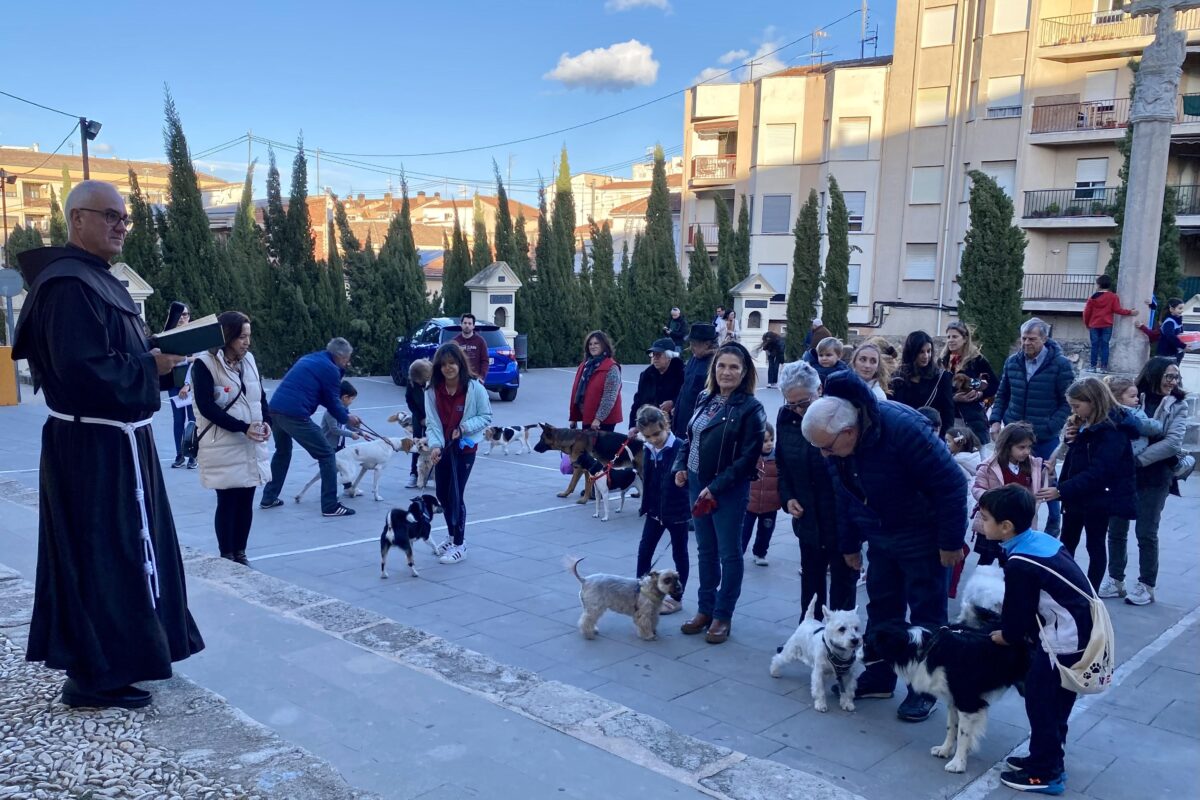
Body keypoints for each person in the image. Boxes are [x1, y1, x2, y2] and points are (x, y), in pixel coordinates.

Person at [11, 179, 204, 709]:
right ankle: (93, 676)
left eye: (125, 218)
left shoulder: (99, 280)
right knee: (100, 555)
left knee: (127, 553)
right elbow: (81, 373)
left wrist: (163, 355)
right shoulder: (67, 286)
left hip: (121, 444)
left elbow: (123, 355)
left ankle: (133, 655)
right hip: (91, 449)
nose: (122, 225)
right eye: (111, 215)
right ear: (77, 220)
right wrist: (151, 366)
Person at [801, 371, 967, 721]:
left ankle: (924, 690)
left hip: (924, 537)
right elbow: (844, 496)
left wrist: (951, 541)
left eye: (827, 447)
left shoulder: (903, 429)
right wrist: (849, 545)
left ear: (848, 431)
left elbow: (951, 484)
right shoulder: (839, 447)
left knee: (926, 618)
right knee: (881, 610)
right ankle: (877, 676)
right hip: (881, 536)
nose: (825, 455)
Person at [979, 485, 1093, 795]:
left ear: (1006, 527)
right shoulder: (1039, 541)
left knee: (1041, 702)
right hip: (1079, 630)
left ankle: (1046, 773)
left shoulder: (1021, 563)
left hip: (1063, 640)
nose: (979, 521)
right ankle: (1047, 755)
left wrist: (1006, 636)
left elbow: (1019, 613)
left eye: (985, 518)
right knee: (1056, 703)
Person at [673, 342, 766, 644]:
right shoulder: (705, 397)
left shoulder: (751, 408)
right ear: (714, 369)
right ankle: (705, 610)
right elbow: (690, 438)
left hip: (726, 489)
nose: (726, 372)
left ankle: (722, 615)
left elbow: (748, 459)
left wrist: (715, 487)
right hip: (698, 483)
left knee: (729, 554)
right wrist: (680, 465)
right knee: (705, 550)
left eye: (734, 367)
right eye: (721, 366)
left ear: (744, 372)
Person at [1102, 358, 1189, 605]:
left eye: (1176, 377)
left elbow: (1172, 442)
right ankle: (1115, 579)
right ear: (1154, 374)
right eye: (1168, 376)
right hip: (1122, 476)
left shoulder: (1178, 404)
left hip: (1155, 476)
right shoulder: (1130, 394)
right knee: (1116, 529)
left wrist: (1138, 461)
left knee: (1146, 532)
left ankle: (1146, 585)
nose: (1173, 382)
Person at [190, 311, 272, 567]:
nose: (246, 342)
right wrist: (241, 427)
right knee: (227, 499)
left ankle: (241, 553)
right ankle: (227, 554)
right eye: (241, 336)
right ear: (227, 336)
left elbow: (259, 396)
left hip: (250, 440)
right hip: (221, 442)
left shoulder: (250, 361)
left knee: (247, 497)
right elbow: (205, 407)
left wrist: (266, 422)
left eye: (249, 336)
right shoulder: (204, 363)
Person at [1040, 377, 1136, 590]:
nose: (1074, 411)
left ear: (1093, 401)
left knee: (1095, 544)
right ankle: (1065, 586)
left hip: (1098, 497)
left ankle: (1091, 594)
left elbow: (1099, 471)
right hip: (1077, 494)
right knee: (1067, 541)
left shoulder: (1113, 430)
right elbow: (1079, 457)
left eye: (1077, 406)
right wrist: (1070, 440)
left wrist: (1061, 490)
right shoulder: (1085, 423)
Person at [775, 361, 854, 619]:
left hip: (839, 516)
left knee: (842, 583)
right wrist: (788, 498)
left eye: (803, 404)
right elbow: (783, 463)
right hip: (807, 514)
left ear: (819, 390)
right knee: (811, 579)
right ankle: (809, 632)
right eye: (791, 404)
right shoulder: (786, 417)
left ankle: (840, 642)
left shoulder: (839, 414)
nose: (797, 410)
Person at [259, 338, 364, 517]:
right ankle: (330, 505)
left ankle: (269, 497)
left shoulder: (309, 359)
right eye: (347, 358)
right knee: (327, 454)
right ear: (339, 356)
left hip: (274, 410)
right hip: (295, 414)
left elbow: (320, 394)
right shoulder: (331, 369)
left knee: (283, 452)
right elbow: (332, 400)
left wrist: (344, 415)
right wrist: (346, 418)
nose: (348, 362)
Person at [989, 318, 1074, 537]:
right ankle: (1014, 521)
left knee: (1046, 476)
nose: (1026, 343)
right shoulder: (1012, 362)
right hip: (1015, 433)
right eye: (1023, 338)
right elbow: (1003, 394)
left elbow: (1068, 401)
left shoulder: (1060, 365)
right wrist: (996, 419)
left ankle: (1054, 519)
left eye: (1032, 339)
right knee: (1012, 478)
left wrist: (1051, 425)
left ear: (1044, 339)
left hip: (1044, 435)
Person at [426, 342, 493, 565]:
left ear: (460, 363)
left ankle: (460, 544)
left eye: (452, 363)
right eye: (444, 365)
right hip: (443, 448)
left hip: (464, 448)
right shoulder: (432, 389)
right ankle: (452, 535)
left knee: (455, 493)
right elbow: (433, 423)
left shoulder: (475, 388)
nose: (448, 368)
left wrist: (464, 428)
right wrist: (435, 446)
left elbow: (486, 416)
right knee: (443, 495)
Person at [634, 405, 690, 615]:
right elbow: (648, 481)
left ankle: (676, 598)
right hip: (654, 512)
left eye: (657, 434)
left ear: (665, 425)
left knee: (680, 554)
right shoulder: (648, 449)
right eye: (648, 436)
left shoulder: (680, 448)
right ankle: (641, 593)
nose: (654, 439)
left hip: (677, 512)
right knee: (644, 550)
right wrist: (646, 505)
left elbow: (688, 481)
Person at [971, 422, 1050, 566]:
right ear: (1007, 446)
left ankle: (1010, 587)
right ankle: (979, 586)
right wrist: (995, 500)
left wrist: (1049, 475)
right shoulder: (989, 467)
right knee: (985, 560)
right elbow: (977, 489)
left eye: (1029, 447)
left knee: (1012, 562)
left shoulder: (1033, 466)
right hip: (994, 523)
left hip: (1017, 527)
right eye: (1021, 447)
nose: (1026, 451)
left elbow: (1039, 488)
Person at [938, 321, 997, 446]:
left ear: (965, 339)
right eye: (948, 337)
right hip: (949, 418)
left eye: (955, 337)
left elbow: (994, 384)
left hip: (972, 418)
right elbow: (938, 390)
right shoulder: (943, 361)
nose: (950, 340)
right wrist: (954, 398)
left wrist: (978, 392)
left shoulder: (976, 360)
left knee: (977, 460)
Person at [890, 330, 956, 435]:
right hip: (903, 435)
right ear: (912, 352)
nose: (926, 356)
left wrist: (943, 442)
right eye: (921, 352)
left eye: (929, 351)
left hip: (930, 437)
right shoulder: (897, 379)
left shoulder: (941, 378)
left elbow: (948, 413)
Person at [162, 301, 197, 469]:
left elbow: (197, 360)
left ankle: (192, 455)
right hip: (173, 384)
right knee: (178, 420)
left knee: (192, 420)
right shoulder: (168, 335)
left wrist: (187, 384)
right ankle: (179, 455)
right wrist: (185, 359)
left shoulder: (194, 334)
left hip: (190, 384)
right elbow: (165, 360)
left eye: (186, 314)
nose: (183, 318)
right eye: (180, 315)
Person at [741, 422, 780, 566]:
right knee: (744, 531)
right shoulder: (749, 457)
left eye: (771, 440)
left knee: (766, 532)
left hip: (770, 505)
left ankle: (760, 552)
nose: (769, 444)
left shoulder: (778, 459)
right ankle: (739, 553)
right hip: (749, 504)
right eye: (764, 441)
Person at [568, 331, 623, 431]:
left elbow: (609, 397)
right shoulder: (585, 366)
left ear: (604, 345)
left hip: (603, 421)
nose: (592, 346)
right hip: (587, 416)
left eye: (596, 343)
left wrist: (598, 419)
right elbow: (577, 393)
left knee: (599, 447)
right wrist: (574, 418)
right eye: (590, 344)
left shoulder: (611, 367)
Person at [672, 323, 718, 438]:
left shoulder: (716, 364)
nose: (691, 347)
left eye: (694, 344)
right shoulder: (694, 358)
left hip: (697, 426)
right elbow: (684, 386)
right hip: (681, 420)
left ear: (707, 344)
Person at [1082, 274, 1135, 373]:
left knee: (1094, 346)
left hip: (1094, 325)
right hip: (1107, 325)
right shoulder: (1113, 297)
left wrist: (1087, 324)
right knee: (1105, 345)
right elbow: (1117, 310)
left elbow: (1086, 312)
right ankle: (1103, 368)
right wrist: (1130, 312)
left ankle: (1093, 367)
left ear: (1099, 285)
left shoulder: (1092, 298)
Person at [628, 339, 684, 431]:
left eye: (658, 355)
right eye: (653, 354)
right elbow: (637, 401)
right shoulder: (646, 375)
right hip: (648, 425)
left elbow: (687, 399)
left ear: (669, 356)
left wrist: (673, 403)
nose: (654, 358)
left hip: (671, 427)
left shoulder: (681, 374)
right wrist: (632, 425)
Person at [323, 380, 363, 496]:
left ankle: (348, 488)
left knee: (345, 467)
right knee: (332, 470)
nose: (351, 402)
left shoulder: (344, 411)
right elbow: (334, 429)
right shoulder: (331, 411)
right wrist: (351, 435)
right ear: (345, 397)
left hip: (340, 444)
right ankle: (329, 492)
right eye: (351, 399)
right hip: (330, 445)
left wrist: (359, 432)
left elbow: (346, 424)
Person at [404, 359, 432, 489]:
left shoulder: (436, 380)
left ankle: (435, 474)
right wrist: (420, 417)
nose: (418, 383)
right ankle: (414, 474)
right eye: (416, 382)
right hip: (419, 418)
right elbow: (409, 400)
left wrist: (432, 418)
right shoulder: (412, 381)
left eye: (420, 381)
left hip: (435, 418)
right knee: (418, 445)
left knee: (435, 444)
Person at [452, 313, 490, 380]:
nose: (467, 325)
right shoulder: (455, 342)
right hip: (459, 379)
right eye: (465, 323)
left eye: (469, 323)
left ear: (473, 326)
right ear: (461, 324)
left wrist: (481, 377)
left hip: (475, 379)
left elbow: (485, 361)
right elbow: (451, 361)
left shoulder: (480, 341)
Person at [1156, 298, 1187, 364]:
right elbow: (1170, 336)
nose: (1182, 311)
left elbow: (1180, 335)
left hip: (1175, 353)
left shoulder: (1178, 321)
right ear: (1171, 309)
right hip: (1167, 354)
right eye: (1180, 308)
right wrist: (1183, 346)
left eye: (1182, 308)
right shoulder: (1169, 322)